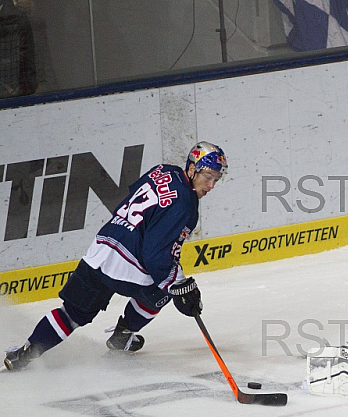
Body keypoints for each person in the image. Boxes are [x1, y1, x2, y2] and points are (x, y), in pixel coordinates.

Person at [4, 142, 228, 370]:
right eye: (207, 176)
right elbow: (155, 256)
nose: (210, 185)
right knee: (163, 287)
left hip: (101, 249)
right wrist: (180, 285)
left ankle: (25, 354)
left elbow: (132, 200)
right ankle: (123, 334)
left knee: (72, 313)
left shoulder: (163, 171)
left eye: (216, 180)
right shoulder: (186, 205)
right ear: (192, 168)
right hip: (128, 266)